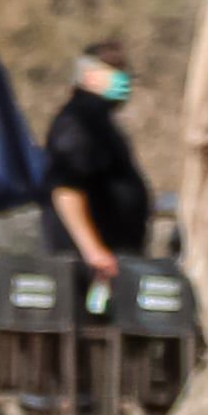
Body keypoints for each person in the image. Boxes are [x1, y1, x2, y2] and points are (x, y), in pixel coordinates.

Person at [41, 40, 152, 294]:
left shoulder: (100, 122)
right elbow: (67, 189)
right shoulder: (78, 122)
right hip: (87, 266)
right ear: (89, 75)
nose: (124, 80)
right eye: (115, 70)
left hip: (111, 257)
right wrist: (94, 251)